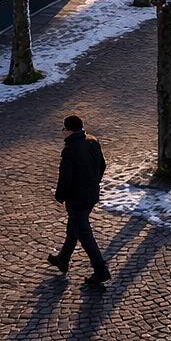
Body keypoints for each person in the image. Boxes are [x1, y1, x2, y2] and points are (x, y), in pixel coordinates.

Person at [47, 113, 111, 287]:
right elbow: (102, 165)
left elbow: (65, 178)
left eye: (64, 129)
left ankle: (100, 270)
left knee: (84, 234)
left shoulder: (70, 150)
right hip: (91, 195)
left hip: (77, 199)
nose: (63, 132)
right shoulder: (92, 141)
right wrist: (93, 182)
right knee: (74, 228)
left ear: (68, 131)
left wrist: (60, 196)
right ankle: (63, 259)